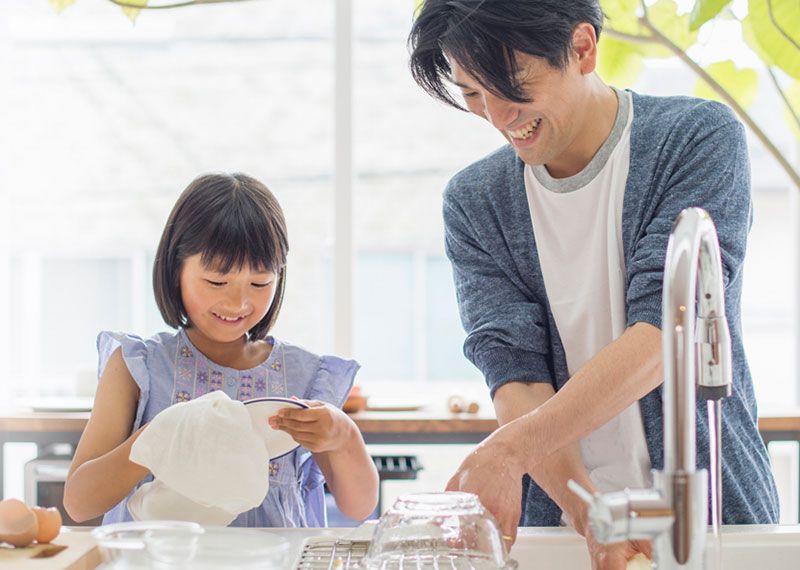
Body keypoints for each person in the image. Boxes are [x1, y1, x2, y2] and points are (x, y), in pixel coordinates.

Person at [407, 0, 779, 567]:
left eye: (511, 85)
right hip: (563, 526)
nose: (499, 116)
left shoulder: (696, 140)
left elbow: (664, 334)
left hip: (712, 517)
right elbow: (516, 375)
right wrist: (590, 514)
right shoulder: (476, 203)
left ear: (582, 48)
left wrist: (510, 449)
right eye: (474, 95)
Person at [63, 172, 379, 527]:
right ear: (175, 268)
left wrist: (344, 436)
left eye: (260, 282)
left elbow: (359, 506)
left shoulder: (305, 375)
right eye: (216, 281)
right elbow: (79, 502)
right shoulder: (140, 367)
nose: (238, 301)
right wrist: (156, 439)